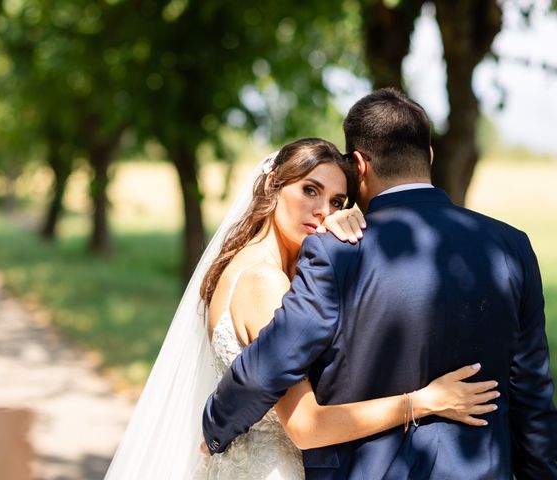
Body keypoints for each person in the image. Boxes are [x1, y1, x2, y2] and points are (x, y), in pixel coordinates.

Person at [203, 89, 557, 479]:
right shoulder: (511, 247)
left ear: (359, 165)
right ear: (430, 156)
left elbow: (271, 362)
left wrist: (216, 427)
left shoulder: (336, 252)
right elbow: (531, 398)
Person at [104, 137, 498, 480]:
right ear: (274, 186)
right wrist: (423, 401)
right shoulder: (264, 283)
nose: (323, 211)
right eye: (310, 190)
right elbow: (306, 426)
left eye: (336, 200)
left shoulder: (236, 265)